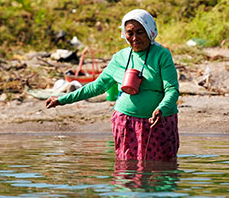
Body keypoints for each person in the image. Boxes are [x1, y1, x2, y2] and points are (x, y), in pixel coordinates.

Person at [46, 9, 179, 160]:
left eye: (140, 32)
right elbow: (97, 86)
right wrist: (62, 99)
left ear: (150, 31)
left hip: (159, 123)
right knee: (127, 172)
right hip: (126, 124)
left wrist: (161, 109)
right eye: (130, 33)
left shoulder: (162, 55)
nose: (135, 38)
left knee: (161, 170)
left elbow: (172, 89)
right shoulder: (120, 58)